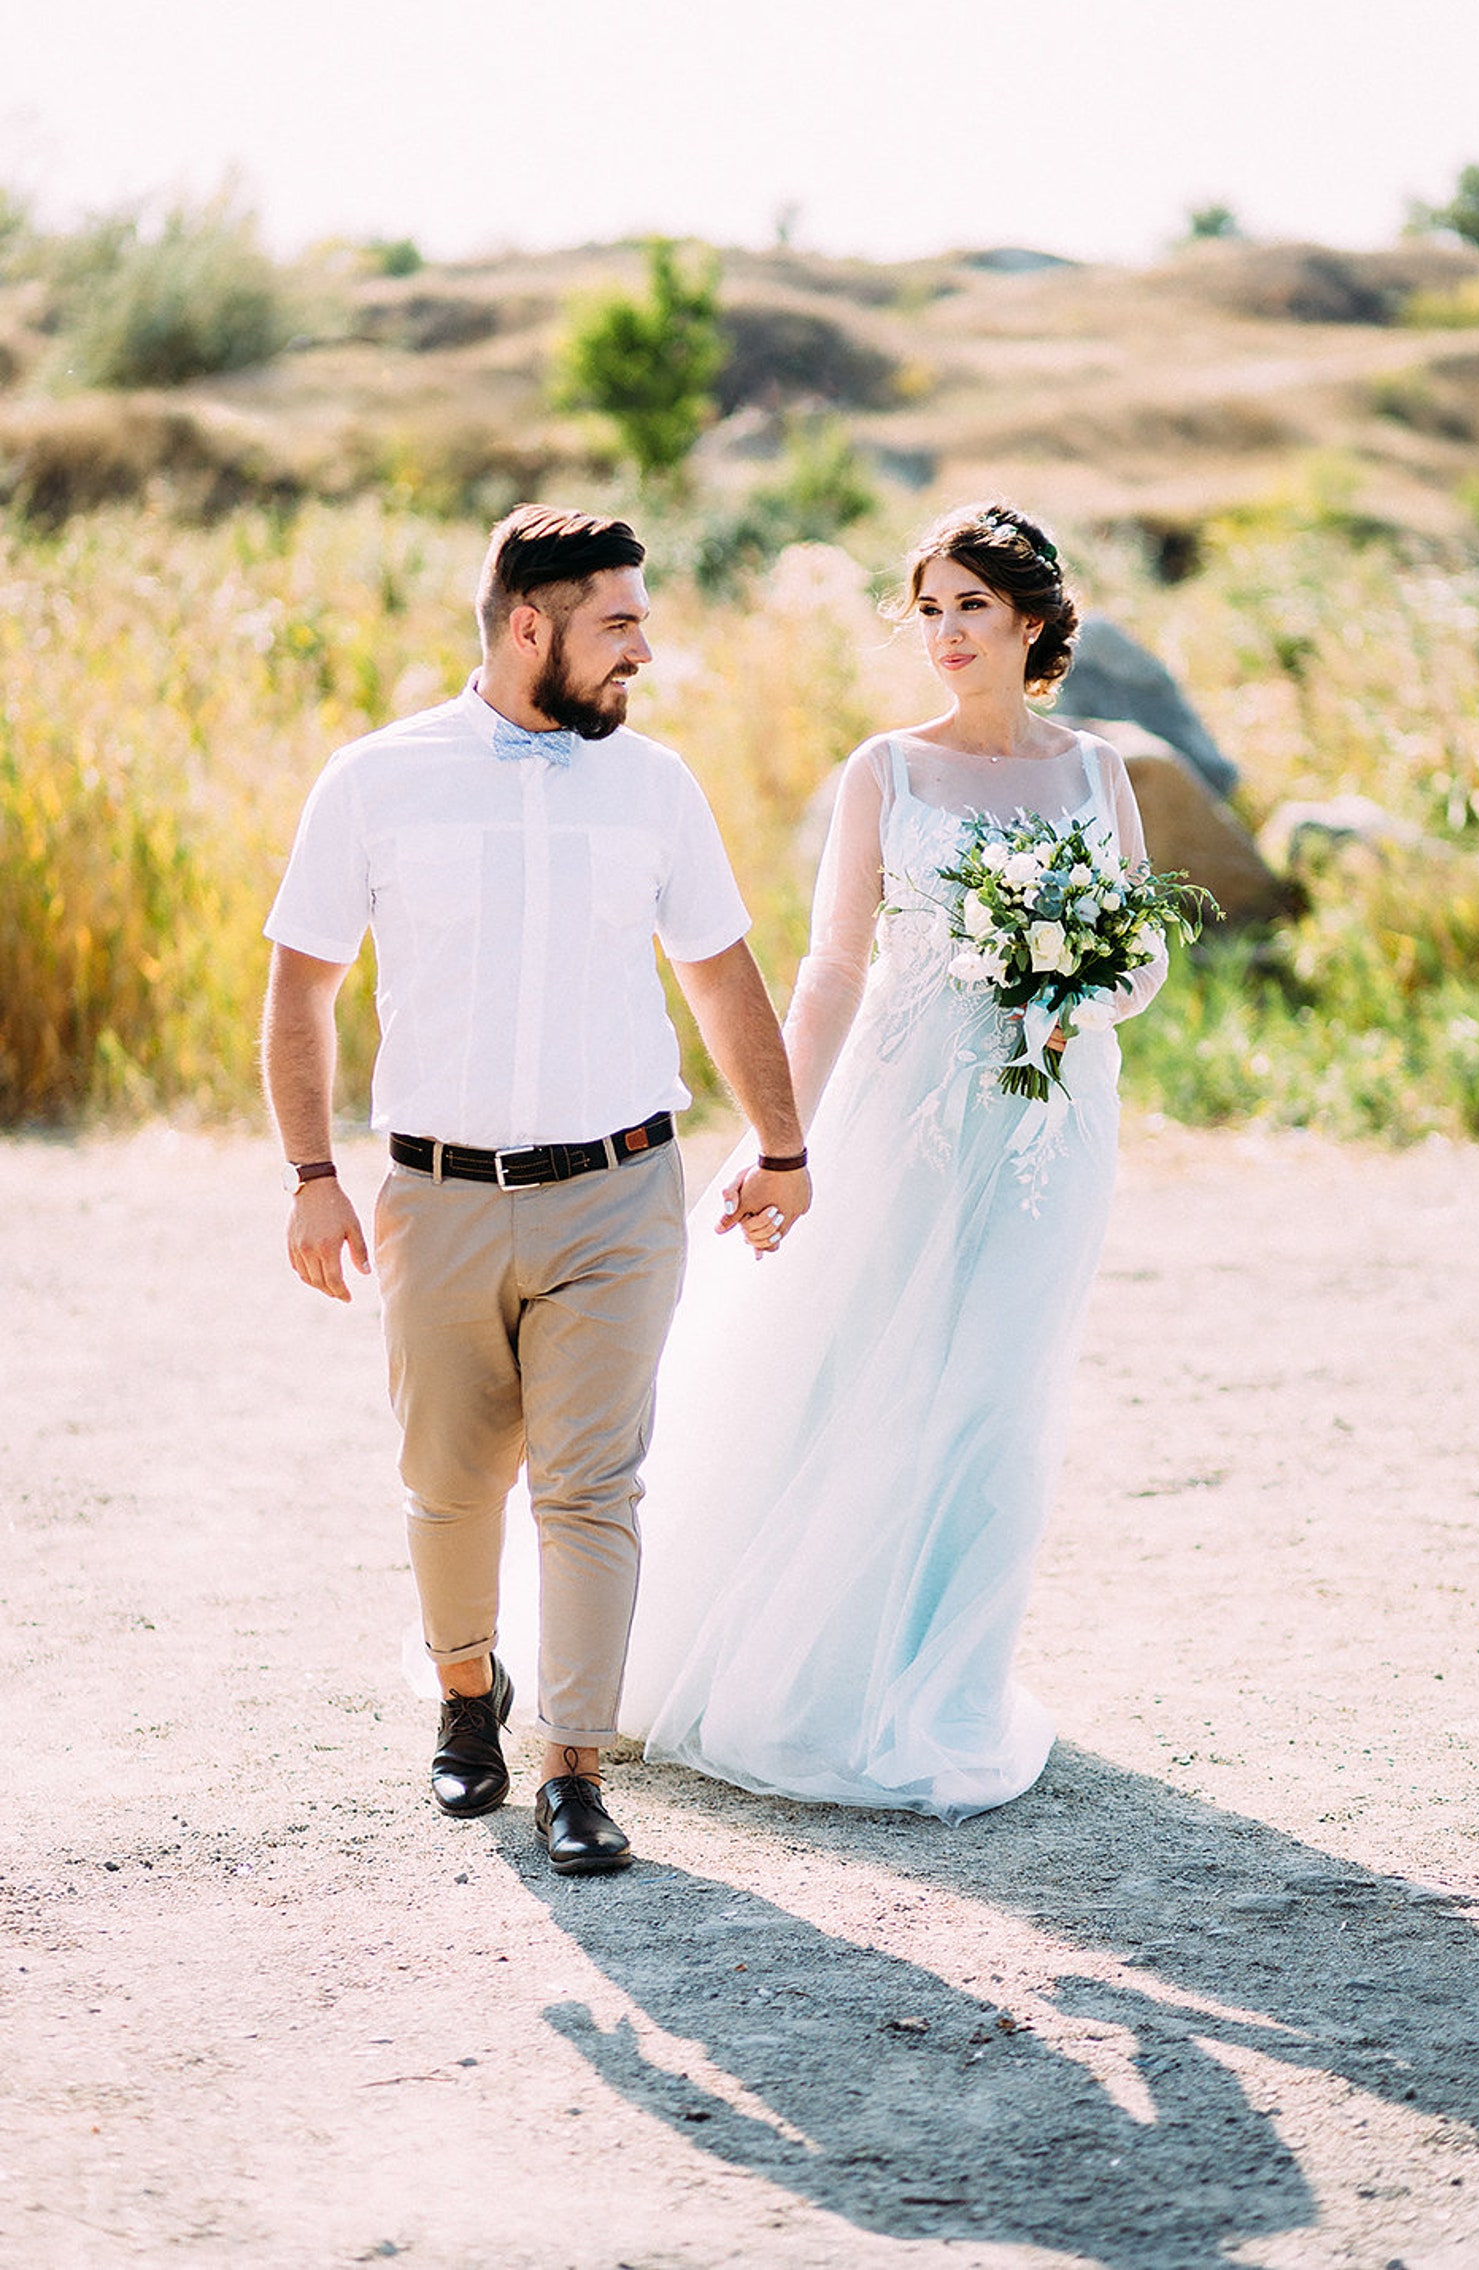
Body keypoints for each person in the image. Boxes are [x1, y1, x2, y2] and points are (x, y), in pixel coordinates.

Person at [261, 503, 811, 1873]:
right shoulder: (377, 778)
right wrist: (313, 1175)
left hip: (620, 1192)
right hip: (435, 1199)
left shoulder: (657, 785)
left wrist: (784, 1143)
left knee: (591, 1487)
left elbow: (721, 970)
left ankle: (572, 1763)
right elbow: (302, 984)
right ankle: (466, 1701)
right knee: (447, 1486)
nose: (642, 649)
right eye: (617, 622)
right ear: (529, 626)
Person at [618, 503, 1168, 1823]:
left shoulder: (1098, 772)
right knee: (874, 1360)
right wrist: (776, 1133)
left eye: (969, 606)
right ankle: (822, 1673)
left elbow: (1144, 958)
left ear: (1030, 620)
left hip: (1051, 1117)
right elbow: (833, 972)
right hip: (904, 1110)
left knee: (1000, 1377)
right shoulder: (886, 771)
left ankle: (953, 1682)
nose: (945, 633)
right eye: (927, 608)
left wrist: (1072, 977)